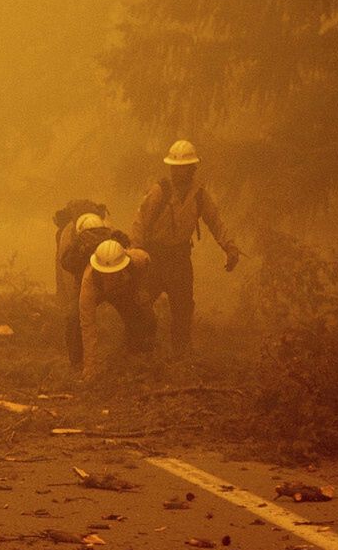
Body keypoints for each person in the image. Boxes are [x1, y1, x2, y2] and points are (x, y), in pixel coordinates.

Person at [134, 139, 240, 356]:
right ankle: (136, 351)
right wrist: (135, 254)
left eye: (183, 168)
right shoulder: (159, 191)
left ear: (192, 168)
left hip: (180, 258)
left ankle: (180, 357)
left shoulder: (199, 195)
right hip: (153, 257)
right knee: (139, 305)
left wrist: (229, 247)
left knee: (183, 309)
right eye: (175, 167)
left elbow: (215, 221)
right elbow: (139, 222)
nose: (178, 172)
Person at [79, 239, 157, 383]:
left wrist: (141, 290)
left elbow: (147, 262)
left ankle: (139, 357)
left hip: (124, 290)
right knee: (73, 320)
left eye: (114, 272)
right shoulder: (89, 282)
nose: (110, 277)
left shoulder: (137, 260)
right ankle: (78, 365)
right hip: (99, 292)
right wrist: (90, 367)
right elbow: (88, 326)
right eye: (105, 273)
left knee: (143, 318)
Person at [54, 204, 119, 368]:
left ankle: (138, 353)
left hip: (115, 277)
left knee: (138, 313)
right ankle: (77, 363)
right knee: (74, 319)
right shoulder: (69, 239)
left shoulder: (111, 231)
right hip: (85, 282)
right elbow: (66, 268)